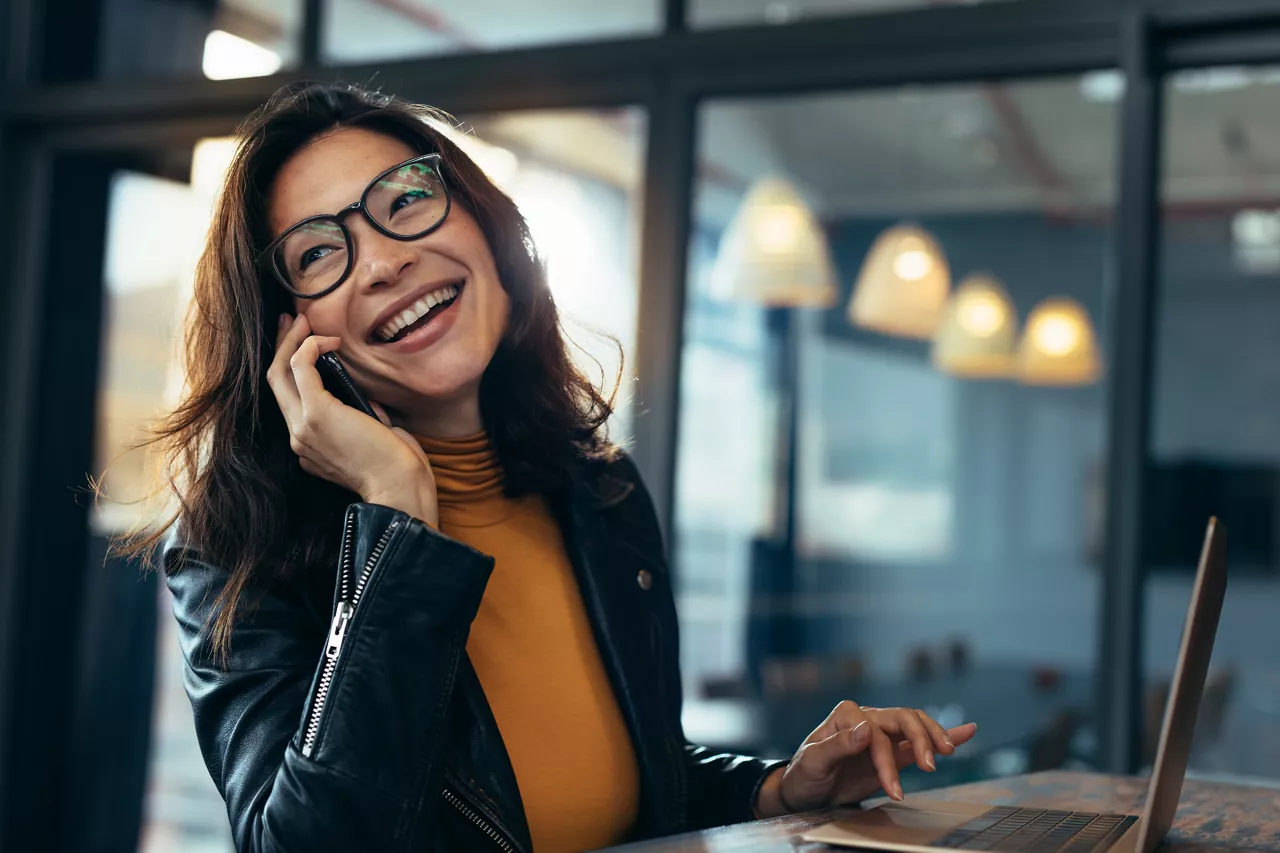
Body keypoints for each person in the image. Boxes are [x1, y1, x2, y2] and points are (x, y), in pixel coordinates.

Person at [137, 82, 976, 853]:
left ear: (489, 230)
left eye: (408, 201)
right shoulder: (233, 546)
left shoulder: (597, 490)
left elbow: (631, 778)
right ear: (288, 331)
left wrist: (780, 786)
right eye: (320, 252)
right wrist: (395, 513)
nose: (386, 259)